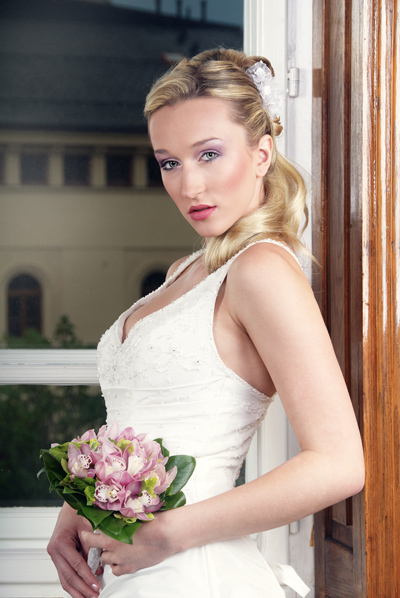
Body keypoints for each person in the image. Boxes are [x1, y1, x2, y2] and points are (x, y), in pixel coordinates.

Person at [47, 48, 365, 598]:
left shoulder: (261, 270)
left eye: (209, 154)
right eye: (169, 162)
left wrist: (168, 534)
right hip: (139, 572)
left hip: (194, 572)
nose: (188, 185)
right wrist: (80, 505)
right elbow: (145, 417)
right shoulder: (187, 270)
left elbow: (338, 463)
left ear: (262, 154)